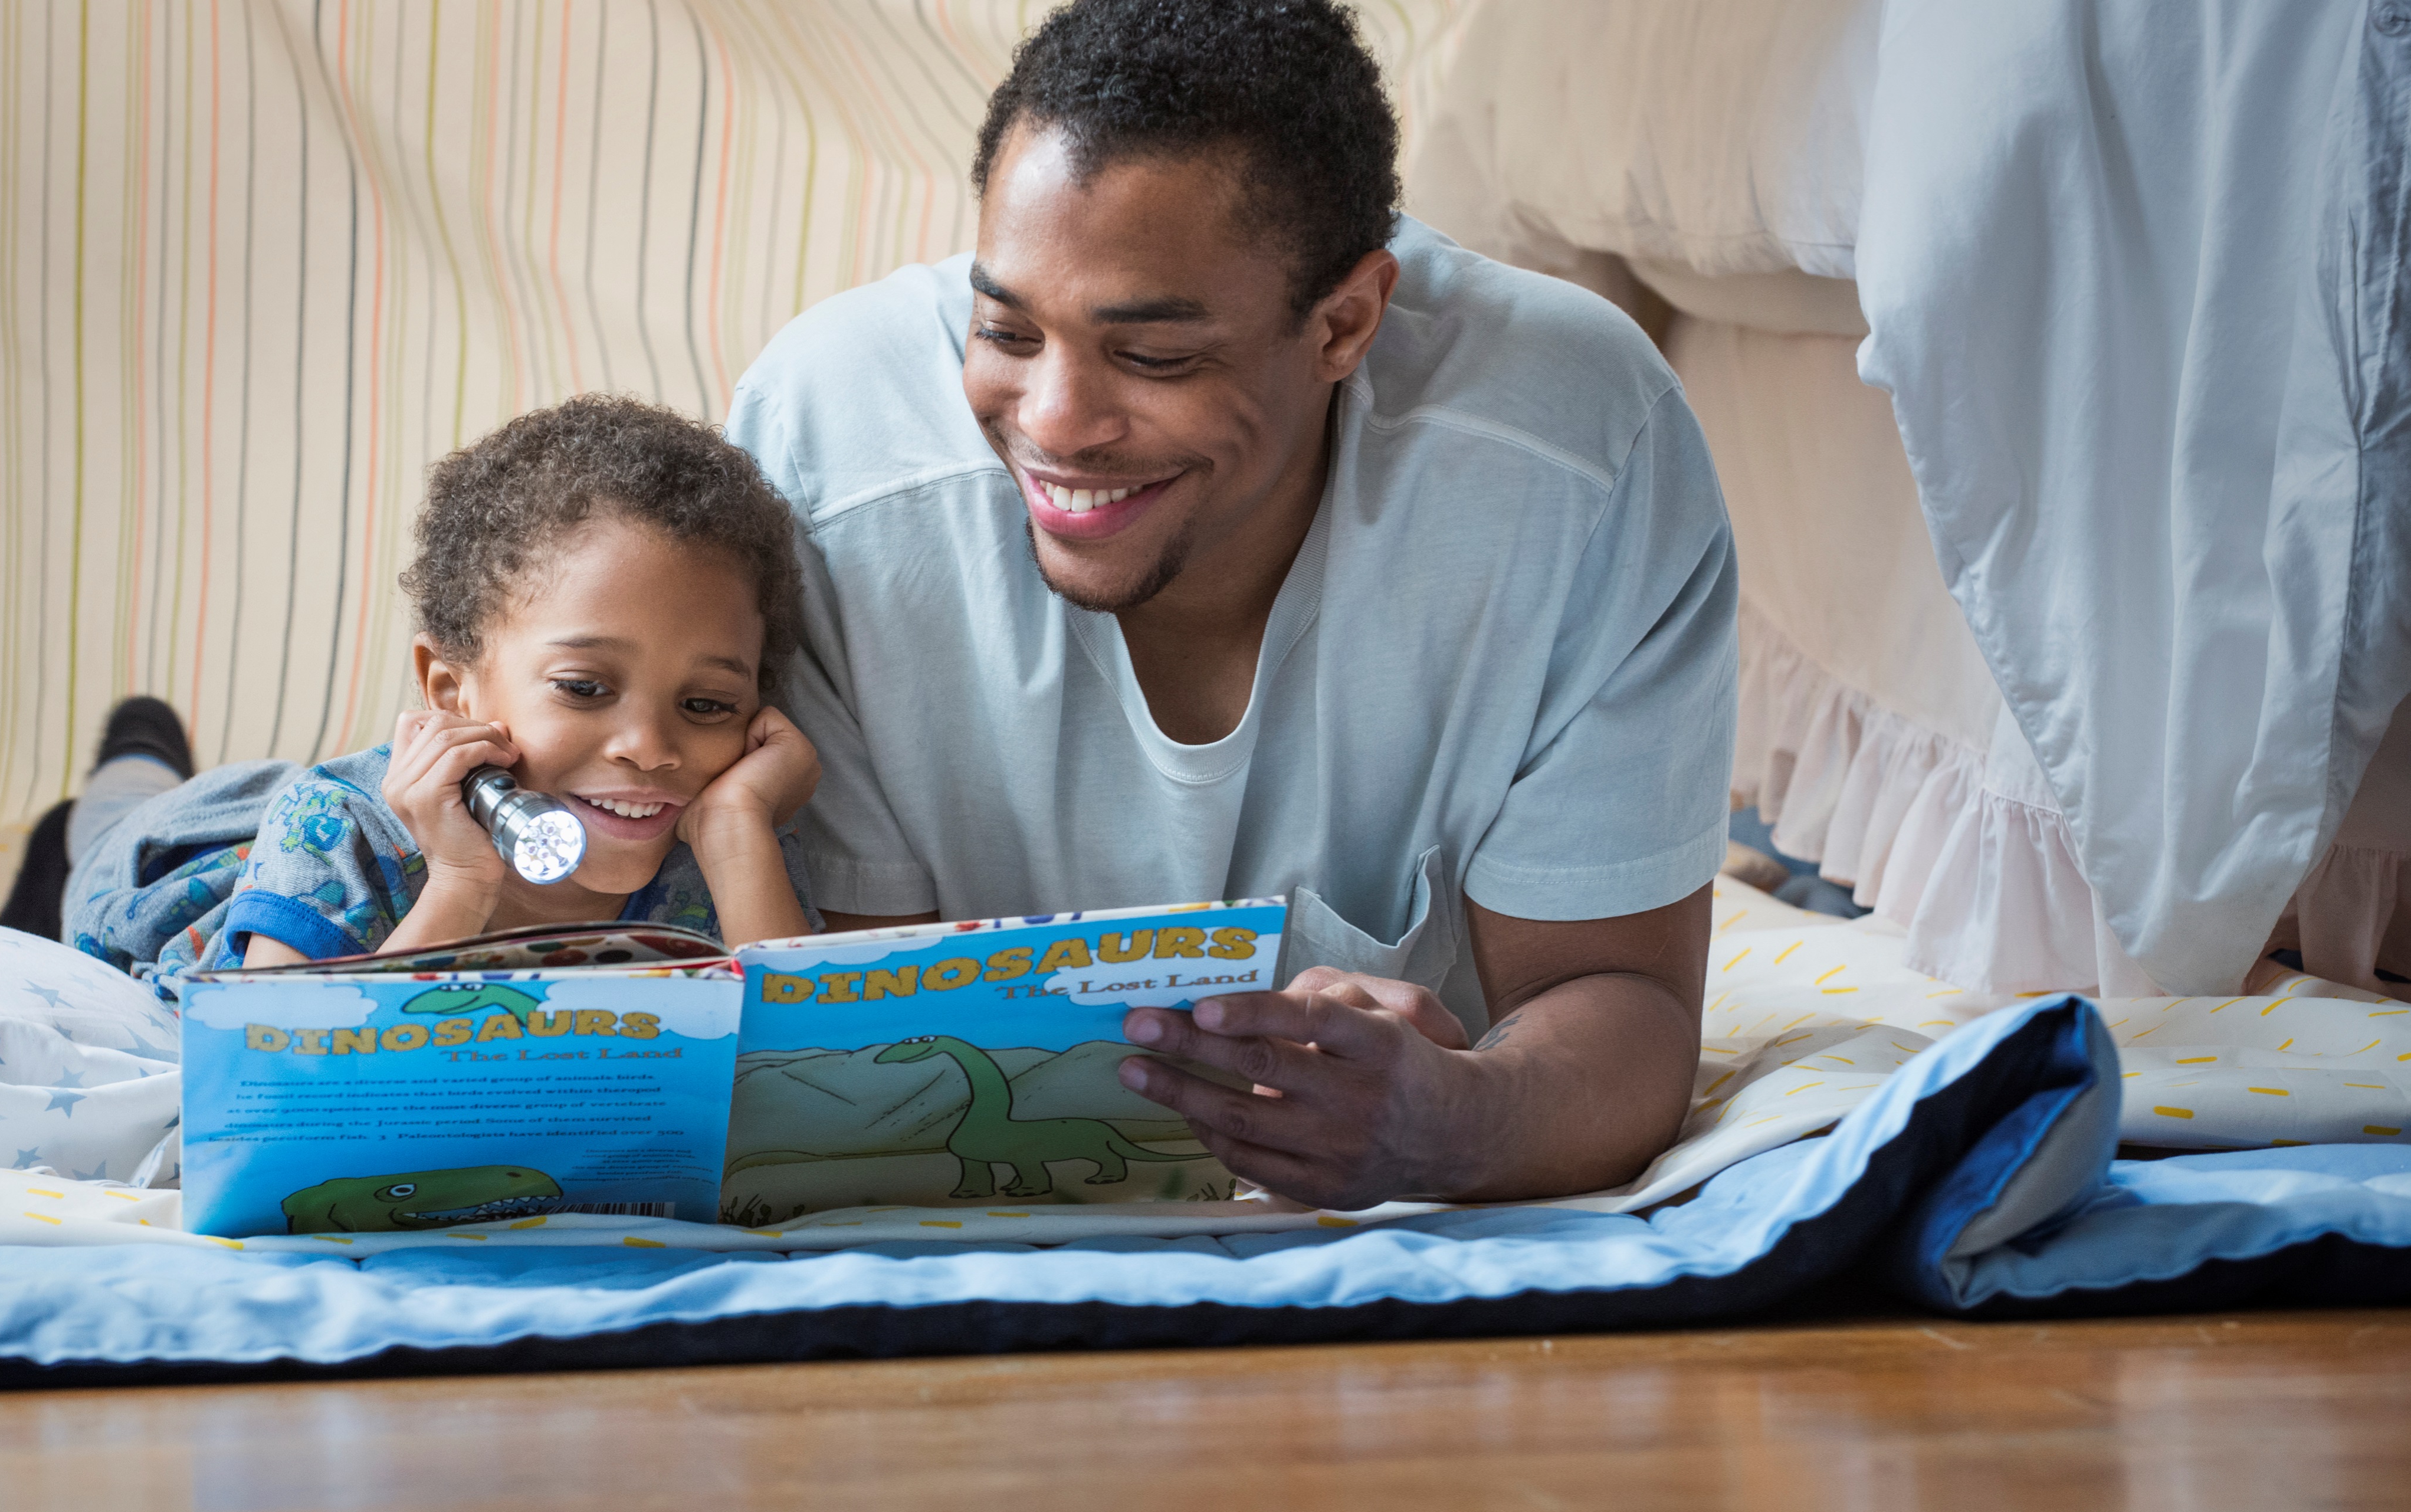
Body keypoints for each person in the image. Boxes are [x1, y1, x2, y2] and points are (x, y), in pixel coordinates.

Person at [724, 0, 1738, 1208]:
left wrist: (1454, 1123)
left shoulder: (1576, 453)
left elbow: (1622, 1003)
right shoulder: (829, 463)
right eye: (1003, 328)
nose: (1052, 423)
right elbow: (847, 1041)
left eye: (1153, 358)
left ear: (1345, 325)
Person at [19, 396, 823, 995]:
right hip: (188, 859)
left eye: (708, 705)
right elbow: (276, 1079)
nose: (648, 746)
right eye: (583, 688)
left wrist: (737, 831)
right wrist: (461, 886)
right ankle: (131, 760)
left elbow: (817, 1070)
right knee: (113, 819)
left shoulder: (724, 840)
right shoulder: (334, 829)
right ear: (451, 688)